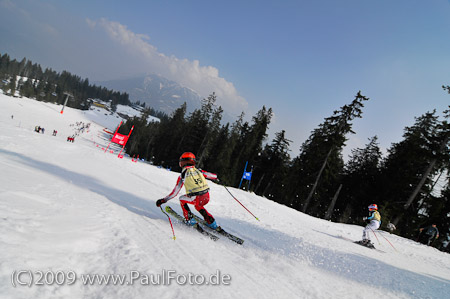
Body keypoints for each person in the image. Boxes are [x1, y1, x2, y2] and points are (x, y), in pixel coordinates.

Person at [156, 152, 219, 229]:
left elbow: (175, 192)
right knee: (198, 206)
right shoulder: (199, 171)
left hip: (196, 198)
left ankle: (190, 220)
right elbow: (213, 176)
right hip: (206, 197)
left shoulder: (182, 175)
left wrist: (164, 200)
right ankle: (212, 222)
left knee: (181, 199)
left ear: (182, 162)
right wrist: (216, 178)